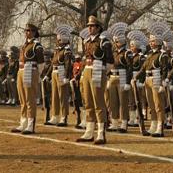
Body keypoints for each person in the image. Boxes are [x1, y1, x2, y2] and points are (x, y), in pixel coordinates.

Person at [76, 16, 113, 144]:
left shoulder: (104, 42)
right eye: (88, 26)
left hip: (98, 70)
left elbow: (110, 62)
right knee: (88, 102)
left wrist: (102, 73)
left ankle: (101, 133)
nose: (89, 28)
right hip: (87, 70)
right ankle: (89, 131)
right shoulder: (87, 41)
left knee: (98, 102)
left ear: (98, 28)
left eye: (92, 26)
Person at [11, 23, 45, 135]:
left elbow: (41, 63)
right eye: (26, 30)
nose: (27, 32)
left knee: (30, 99)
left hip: (31, 70)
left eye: (29, 30)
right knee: (22, 99)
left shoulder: (37, 45)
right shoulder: (25, 45)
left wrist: (38, 76)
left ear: (34, 32)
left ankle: (30, 125)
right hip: (21, 71)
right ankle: (23, 123)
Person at [107, 22, 133, 133]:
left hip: (122, 76)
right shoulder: (113, 53)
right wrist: (108, 77)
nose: (115, 43)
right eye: (115, 41)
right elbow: (109, 65)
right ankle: (114, 122)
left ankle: (124, 123)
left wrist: (127, 82)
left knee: (123, 101)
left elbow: (130, 68)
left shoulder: (127, 53)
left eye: (117, 41)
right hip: (113, 76)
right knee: (113, 101)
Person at [47, 25, 73, 126]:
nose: (57, 40)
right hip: (54, 72)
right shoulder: (57, 50)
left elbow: (67, 64)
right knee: (55, 95)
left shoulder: (67, 50)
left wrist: (66, 76)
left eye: (59, 38)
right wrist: (47, 75)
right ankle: (55, 116)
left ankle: (63, 117)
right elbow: (52, 63)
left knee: (63, 95)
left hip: (62, 71)